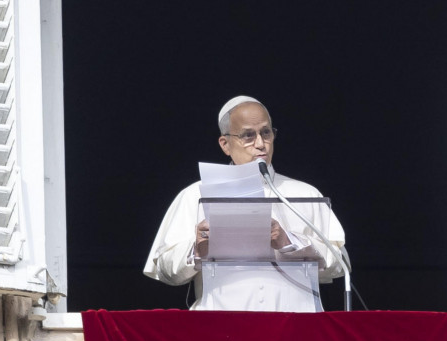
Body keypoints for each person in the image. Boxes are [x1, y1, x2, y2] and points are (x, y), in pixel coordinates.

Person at [143, 96, 346, 311]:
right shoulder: (194, 195)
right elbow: (165, 271)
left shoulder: (305, 193)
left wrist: (290, 243)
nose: (260, 144)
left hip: (295, 327)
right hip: (220, 329)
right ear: (225, 144)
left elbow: (339, 265)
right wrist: (197, 249)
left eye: (266, 133)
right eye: (248, 136)